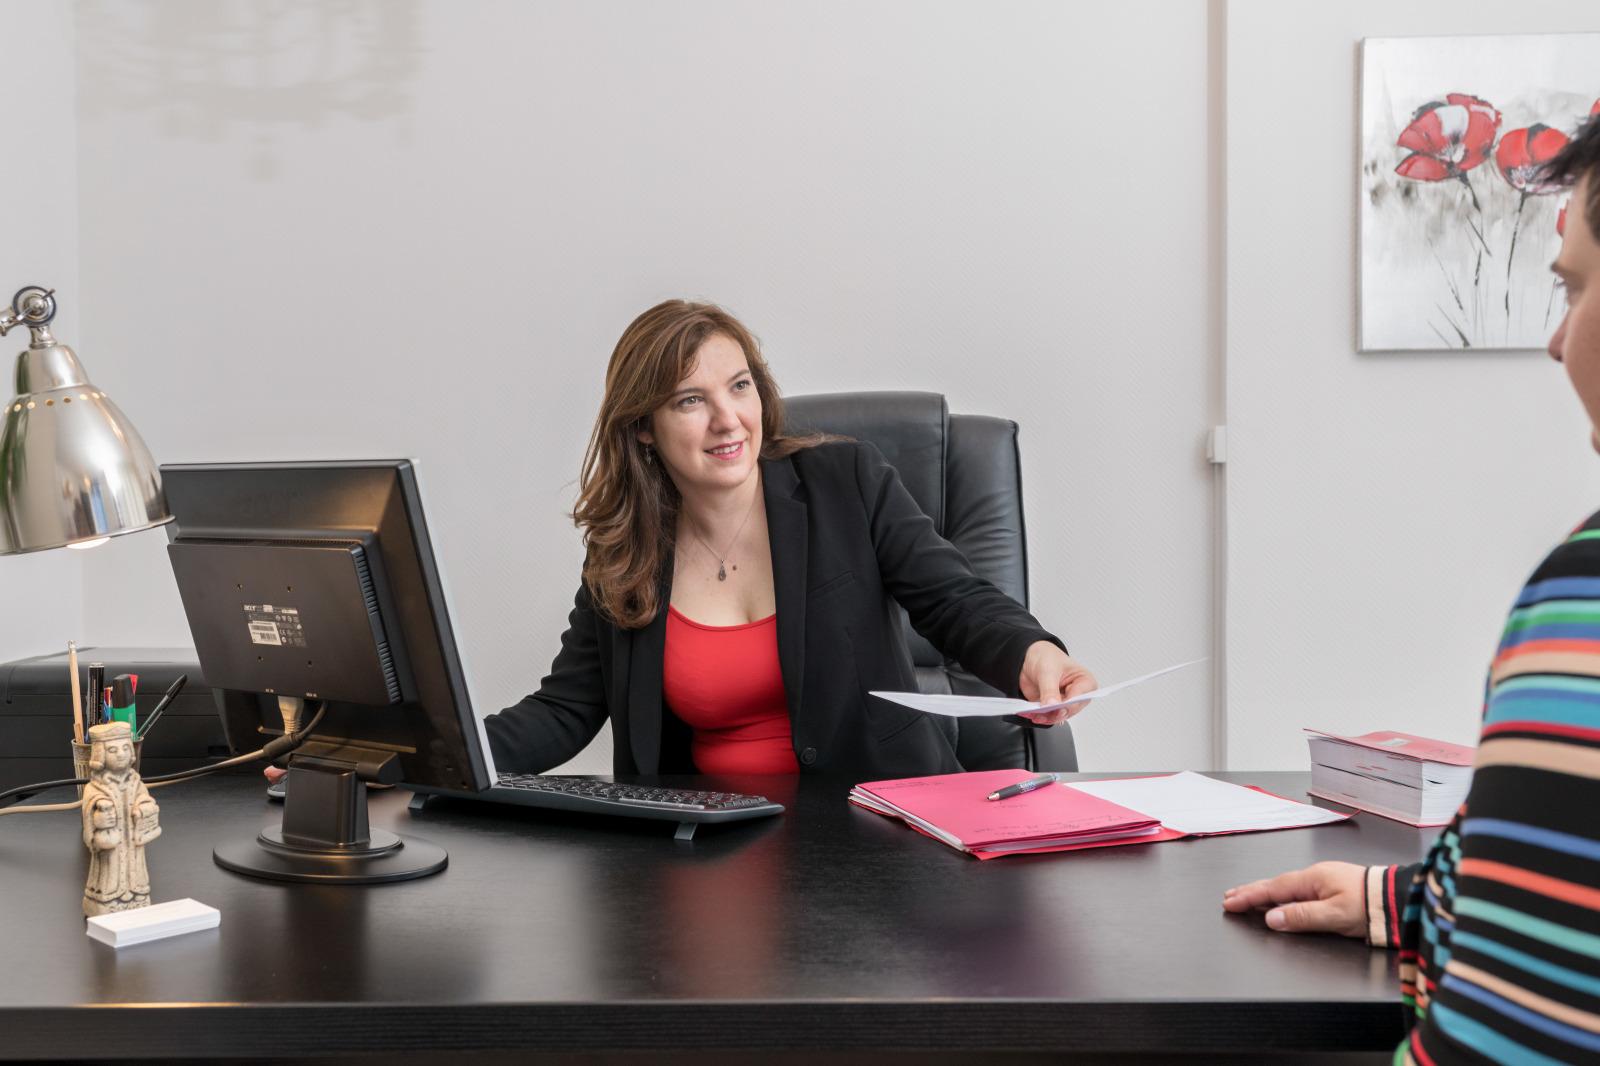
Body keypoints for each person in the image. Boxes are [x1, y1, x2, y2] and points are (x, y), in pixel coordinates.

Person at [1223, 120, 1600, 1063]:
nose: (1557, 342)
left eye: (1578, 287)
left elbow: (1511, 1043)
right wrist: (1406, 897)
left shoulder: (1585, 598)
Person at [486, 300, 1097, 778]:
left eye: (740, 386)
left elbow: (954, 599)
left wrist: (1032, 650)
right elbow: (565, 709)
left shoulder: (846, 482)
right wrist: (438, 756)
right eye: (691, 400)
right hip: (709, 850)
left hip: (874, 830)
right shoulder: (628, 548)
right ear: (644, 427)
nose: (727, 419)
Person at [81, 720, 160, 916]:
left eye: (125, 748)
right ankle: (105, 900)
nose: (122, 754)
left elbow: (144, 798)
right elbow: (89, 808)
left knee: (136, 874)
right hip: (110, 848)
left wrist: (145, 807)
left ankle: (137, 897)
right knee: (109, 870)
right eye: (113, 750)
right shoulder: (94, 787)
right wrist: (97, 817)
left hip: (133, 845)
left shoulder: (135, 781)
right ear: (100, 754)